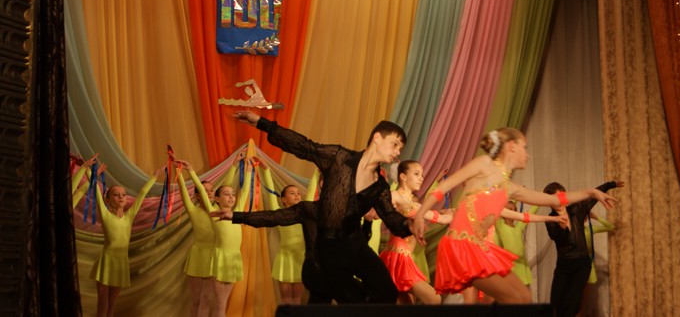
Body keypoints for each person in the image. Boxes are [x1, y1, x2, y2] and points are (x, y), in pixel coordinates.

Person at [411, 127, 617, 304]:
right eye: (524, 147)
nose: (527, 154)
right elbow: (445, 186)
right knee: (513, 299)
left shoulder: (510, 188)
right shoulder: (485, 164)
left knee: (524, 298)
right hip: (462, 245)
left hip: (480, 247)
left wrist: (591, 192)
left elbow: (556, 199)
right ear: (511, 146)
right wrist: (420, 215)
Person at [233, 110, 414, 304]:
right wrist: (261, 122)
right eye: (395, 144)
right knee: (351, 300)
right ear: (377, 138)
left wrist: (412, 224)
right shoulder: (339, 158)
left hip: (356, 246)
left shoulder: (380, 186)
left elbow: (392, 218)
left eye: (400, 149)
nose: (398, 152)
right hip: (329, 251)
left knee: (387, 292)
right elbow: (304, 146)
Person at [213, 200, 346, 304]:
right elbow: (272, 216)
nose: (296, 195)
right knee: (302, 301)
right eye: (292, 193)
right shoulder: (307, 209)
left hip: (329, 266)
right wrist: (237, 216)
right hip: (305, 264)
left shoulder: (340, 209)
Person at [91, 165, 165, 317]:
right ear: (108, 200)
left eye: (123, 195)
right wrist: (92, 173)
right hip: (107, 261)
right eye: (116, 195)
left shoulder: (129, 216)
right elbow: (96, 191)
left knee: (112, 304)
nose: (121, 197)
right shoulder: (106, 215)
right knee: (103, 303)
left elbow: (142, 195)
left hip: (121, 263)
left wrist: (154, 177)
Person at [543, 179, 622, 317]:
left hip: (581, 264)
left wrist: (610, 185)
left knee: (572, 303)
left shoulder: (576, 210)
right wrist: (562, 228)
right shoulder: (550, 219)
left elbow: (592, 195)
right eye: (556, 198)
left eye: (562, 196)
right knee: (555, 302)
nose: (560, 200)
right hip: (564, 264)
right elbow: (557, 238)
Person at [380, 160, 454, 304]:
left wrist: (460, 210)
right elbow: (380, 204)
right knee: (434, 299)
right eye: (416, 174)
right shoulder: (395, 195)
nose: (421, 178)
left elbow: (443, 219)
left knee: (405, 305)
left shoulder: (416, 205)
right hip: (397, 257)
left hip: (405, 258)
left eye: (422, 175)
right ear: (403, 177)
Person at [175, 155, 240, 317]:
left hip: (214, 256)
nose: (209, 193)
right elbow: (183, 191)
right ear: (197, 195)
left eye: (211, 190)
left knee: (206, 299)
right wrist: (179, 173)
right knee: (196, 300)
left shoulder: (218, 210)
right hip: (199, 256)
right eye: (205, 190)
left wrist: (233, 166)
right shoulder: (193, 210)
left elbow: (225, 187)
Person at [261, 164, 319, 304]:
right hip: (285, 258)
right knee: (286, 298)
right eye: (292, 193)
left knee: (297, 298)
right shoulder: (279, 213)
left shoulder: (305, 212)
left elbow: (311, 191)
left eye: (298, 193)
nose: (297, 195)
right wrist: (266, 171)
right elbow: (270, 194)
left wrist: (317, 172)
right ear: (283, 199)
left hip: (301, 258)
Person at [209, 157, 253, 317]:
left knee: (222, 303)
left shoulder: (237, 212)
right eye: (226, 194)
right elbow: (222, 189)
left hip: (234, 258)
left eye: (233, 194)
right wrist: (233, 166)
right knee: (220, 304)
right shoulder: (214, 212)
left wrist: (249, 171)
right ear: (217, 199)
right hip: (221, 257)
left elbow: (245, 191)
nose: (231, 197)